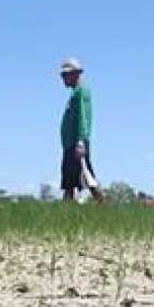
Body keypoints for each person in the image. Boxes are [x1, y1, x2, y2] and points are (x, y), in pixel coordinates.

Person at [58, 58, 103, 202]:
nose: (63, 79)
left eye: (65, 75)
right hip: (70, 144)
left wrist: (81, 142)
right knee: (69, 181)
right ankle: (66, 213)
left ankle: (104, 205)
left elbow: (83, 117)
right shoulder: (75, 93)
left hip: (77, 144)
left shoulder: (81, 92)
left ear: (75, 74)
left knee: (88, 177)